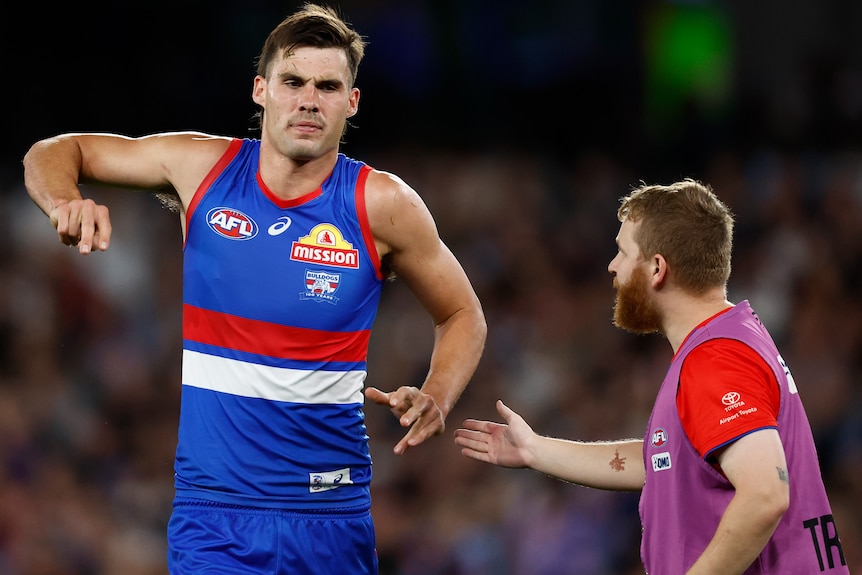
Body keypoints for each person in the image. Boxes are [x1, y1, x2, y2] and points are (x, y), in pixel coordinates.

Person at [23, 3, 487, 574]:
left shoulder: (382, 204)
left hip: (329, 513)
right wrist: (64, 202)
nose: (309, 100)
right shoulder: (201, 169)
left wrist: (437, 392)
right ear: (261, 90)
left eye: (328, 86)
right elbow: (54, 151)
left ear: (352, 101)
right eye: (292, 82)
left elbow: (463, 312)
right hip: (214, 518)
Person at [455, 180, 849, 574]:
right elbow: (665, 460)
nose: (612, 265)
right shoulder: (727, 338)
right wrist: (537, 451)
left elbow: (765, 493)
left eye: (623, 252)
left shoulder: (715, 358)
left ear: (657, 268)